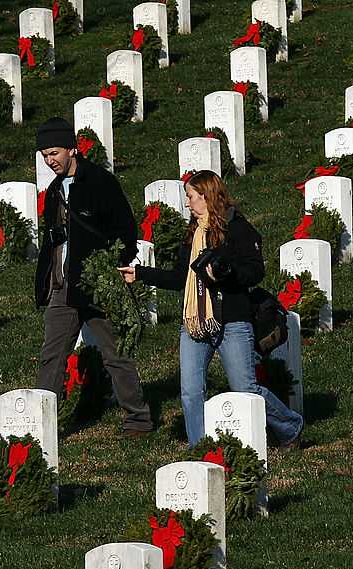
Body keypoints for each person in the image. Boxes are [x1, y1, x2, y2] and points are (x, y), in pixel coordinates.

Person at [118, 170, 303, 448]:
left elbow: (255, 272)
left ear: (206, 196)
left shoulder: (239, 229)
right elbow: (182, 277)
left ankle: (290, 427)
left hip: (232, 321)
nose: (188, 204)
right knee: (191, 392)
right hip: (195, 321)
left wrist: (225, 274)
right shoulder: (192, 233)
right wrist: (140, 274)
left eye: (191, 197)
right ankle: (200, 449)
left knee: (245, 388)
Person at [34, 117, 153, 436]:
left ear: (73, 148)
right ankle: (41, 427)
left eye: (55, 152)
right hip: (63, 286)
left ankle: (138, 419)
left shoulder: (100, 182)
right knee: (52, 357)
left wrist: (111, 266)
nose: (50, 160)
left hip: (99, 284)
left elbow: (127, 231)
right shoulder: (54, 191)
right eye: (45, 155)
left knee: (115, 354)